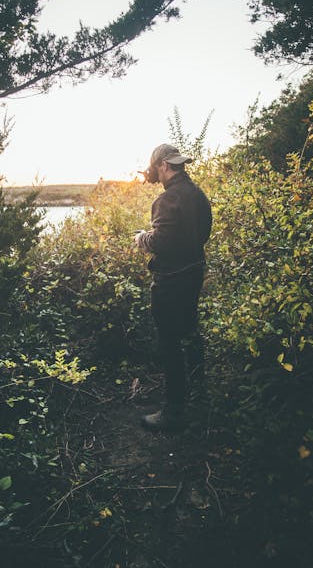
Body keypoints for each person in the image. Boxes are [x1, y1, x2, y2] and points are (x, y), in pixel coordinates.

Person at [134, 143, 212, 432]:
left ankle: (175, 411)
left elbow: (161, 241)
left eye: (156, 168)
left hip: (170, 280)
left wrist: (142, 238)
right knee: (190, 332)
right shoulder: (198, 195)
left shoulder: (167, 200)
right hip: (193, 274)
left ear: (165, 166)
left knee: (169, 343)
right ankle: (199, 397)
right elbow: (202, 233)